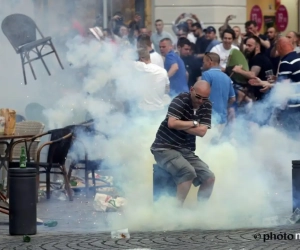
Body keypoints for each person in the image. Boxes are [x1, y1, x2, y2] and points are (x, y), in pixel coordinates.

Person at [151, 80, 215, 206]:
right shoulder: (180, 100)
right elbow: (172, 123)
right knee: (188, 172)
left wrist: (181, 125)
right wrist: (194, 123)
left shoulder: (206, 105)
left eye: (204, 98)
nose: (201, 101)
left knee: (209, 177)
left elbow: (202, 132)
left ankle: (202, 212)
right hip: (164, 147)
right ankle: (176, 211)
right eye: (198, 97)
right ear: (192, 90)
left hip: (185, 149)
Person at [201, 52, 236, 125]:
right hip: (222, 118)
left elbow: (202, 94)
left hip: (209, 118)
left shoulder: (206, 74)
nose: (203, 64)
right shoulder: (227, 78)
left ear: (209, 62)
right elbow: (233, 99)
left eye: (204, 62)